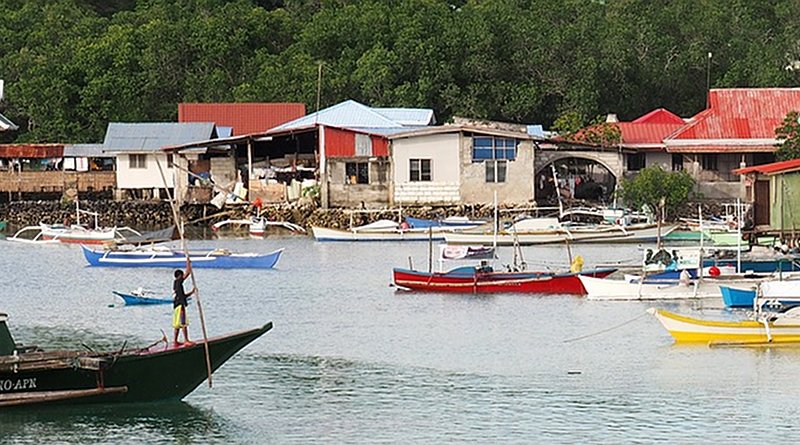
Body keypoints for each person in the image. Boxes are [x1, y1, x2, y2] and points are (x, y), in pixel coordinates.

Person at [173, 261, 196, 345]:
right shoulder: (178, 281)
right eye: (181, 275)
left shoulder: (176, 284)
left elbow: (183, 295)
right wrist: (188, 264)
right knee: (183, 323)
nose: (183, 277)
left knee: (177, 324)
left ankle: (175, 341)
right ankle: (186, 340)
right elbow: (188, 273)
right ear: (179, 276)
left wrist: (192, 292)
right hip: (180, 306)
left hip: (176, 305)